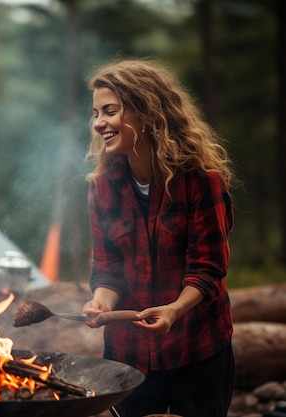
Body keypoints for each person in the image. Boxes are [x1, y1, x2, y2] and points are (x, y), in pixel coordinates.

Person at [82, 59, 236, 417]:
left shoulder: (200, 179)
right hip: (128, 354)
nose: (99, 123)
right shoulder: (102, 187)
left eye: (110, 111)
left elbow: (209, 269)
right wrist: (102, 300)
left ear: (147, 113)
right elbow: (107, 266)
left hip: (197, 348)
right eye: (95, 113)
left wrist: (175, 310)